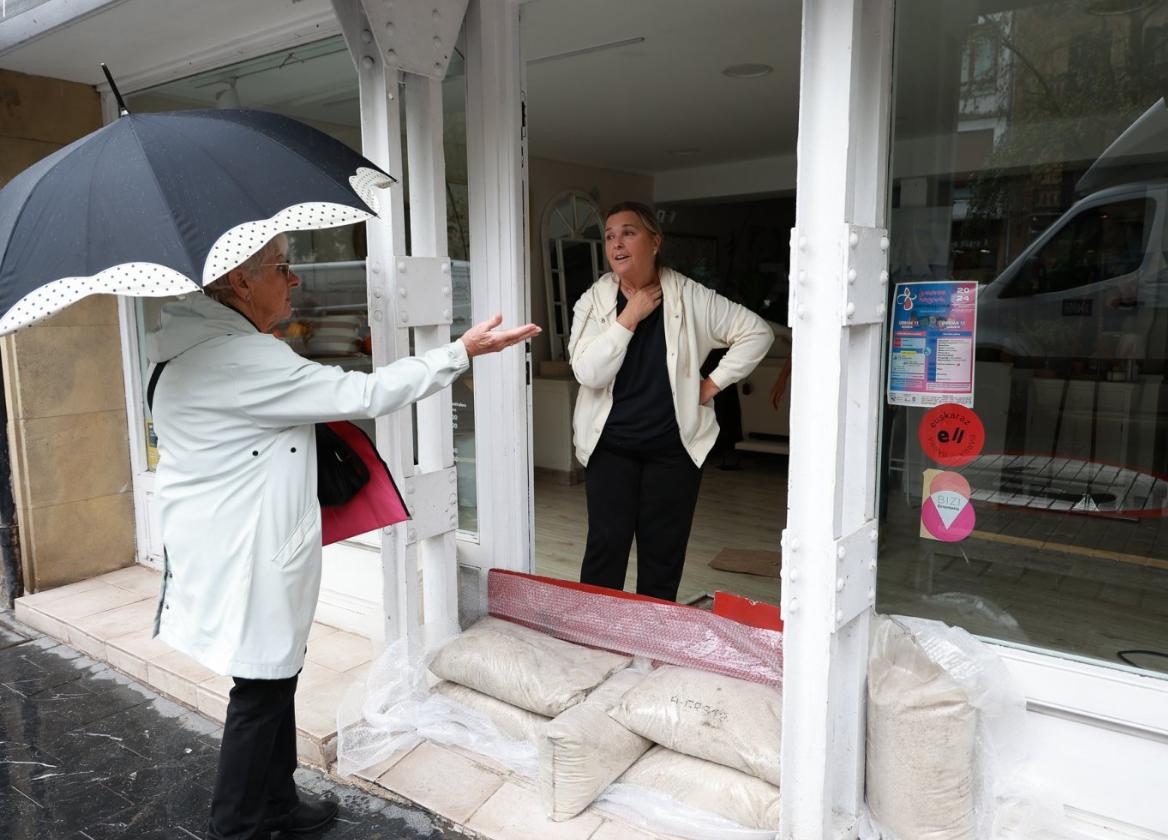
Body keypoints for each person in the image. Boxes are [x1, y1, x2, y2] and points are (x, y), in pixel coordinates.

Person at [145, 233, 538, 840]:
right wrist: (459, 351)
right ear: (241, 284)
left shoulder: (189, 348)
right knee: (260, 689)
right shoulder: (240, 358)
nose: (295, 281)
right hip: (248, 554)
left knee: (272, 677)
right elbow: (365, 393)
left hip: (224, 544)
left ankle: (276, 802)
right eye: (282, 267)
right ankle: (238, 825)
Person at [569, 202, 773, 601]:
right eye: (610, 236)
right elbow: (588, 373)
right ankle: (591, 639)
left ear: (655, 241)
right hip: (610, 447)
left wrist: (711, 384)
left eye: (629, 232)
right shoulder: (592, 303)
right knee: (605, 549)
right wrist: (630, 317)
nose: (617, 243)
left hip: (672, 450)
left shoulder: (690, 296)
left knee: (663, 555)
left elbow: (756, 332)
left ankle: (653, 642)